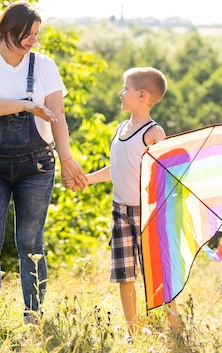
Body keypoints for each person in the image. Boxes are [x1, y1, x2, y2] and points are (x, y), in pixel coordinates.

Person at [0, 1, 87, 325]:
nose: (33, 39)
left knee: (30, 242)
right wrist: (25, 105)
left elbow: (57, 116)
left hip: (35, 166)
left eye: (36, 34)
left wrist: (67, 159)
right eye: (28, 33)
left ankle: (33, 317)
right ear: (7, 30)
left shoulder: (44, 66)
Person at [82, 67, 180, 342]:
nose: (120, 93)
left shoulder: (153, 133)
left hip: (147, 213)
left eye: (125, 88)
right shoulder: (120, 129)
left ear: (142, 95)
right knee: (125, 273)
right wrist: (87, 180)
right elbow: (116, 167)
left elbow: (169, 171)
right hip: (120, 210)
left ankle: (174, 326)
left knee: (157, 271)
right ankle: (132, 332)